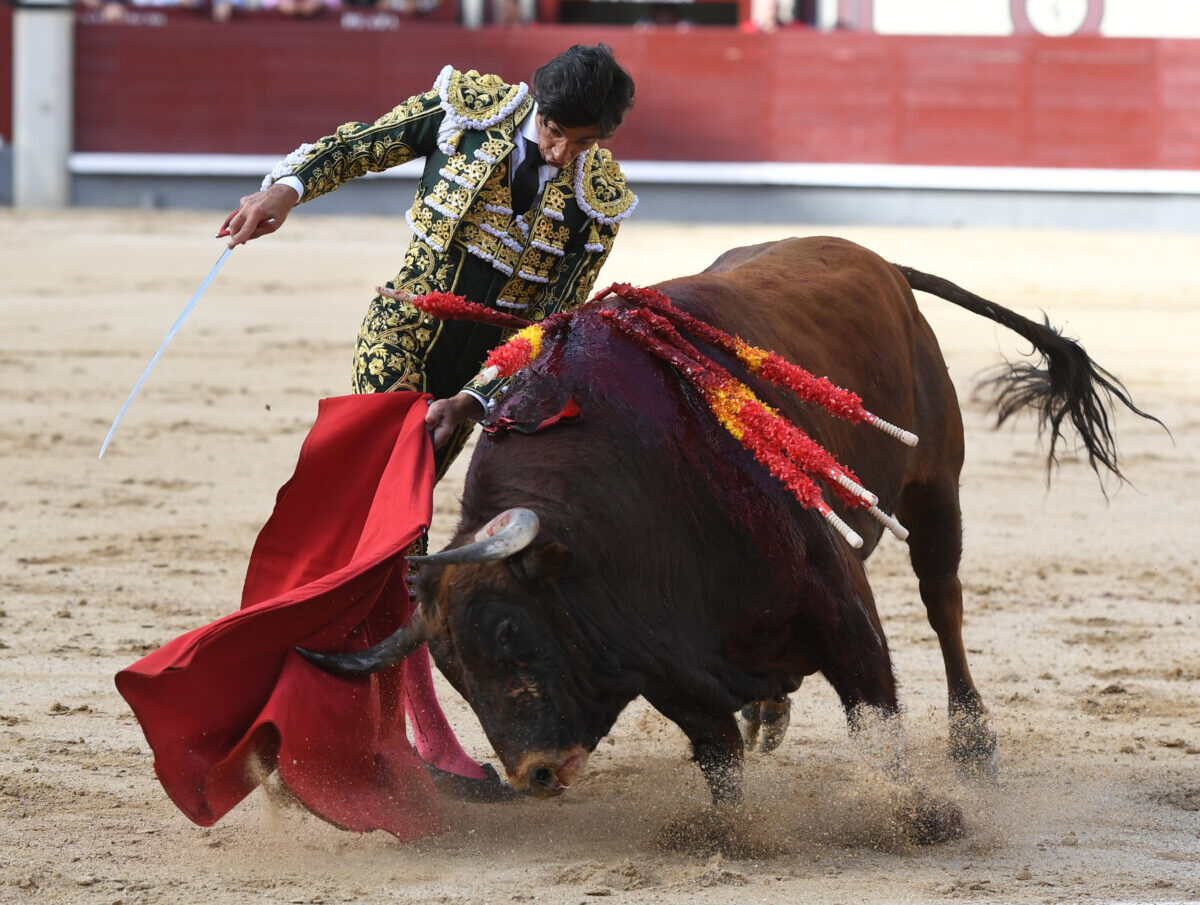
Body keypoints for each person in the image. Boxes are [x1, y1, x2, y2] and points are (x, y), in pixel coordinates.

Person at [217, 44, 636, 795]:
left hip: (475, 374)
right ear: (535, 100)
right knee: (386, 524)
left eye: (583, 140)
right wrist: (285, 190)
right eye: (555, 130)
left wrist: (475, 396)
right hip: (402, 332)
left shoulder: (597, 196)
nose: (562, 149)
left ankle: (324, 717)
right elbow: (360, 144)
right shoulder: (467, 111)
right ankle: (417, 734)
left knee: (386, 531)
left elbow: (550, 321)